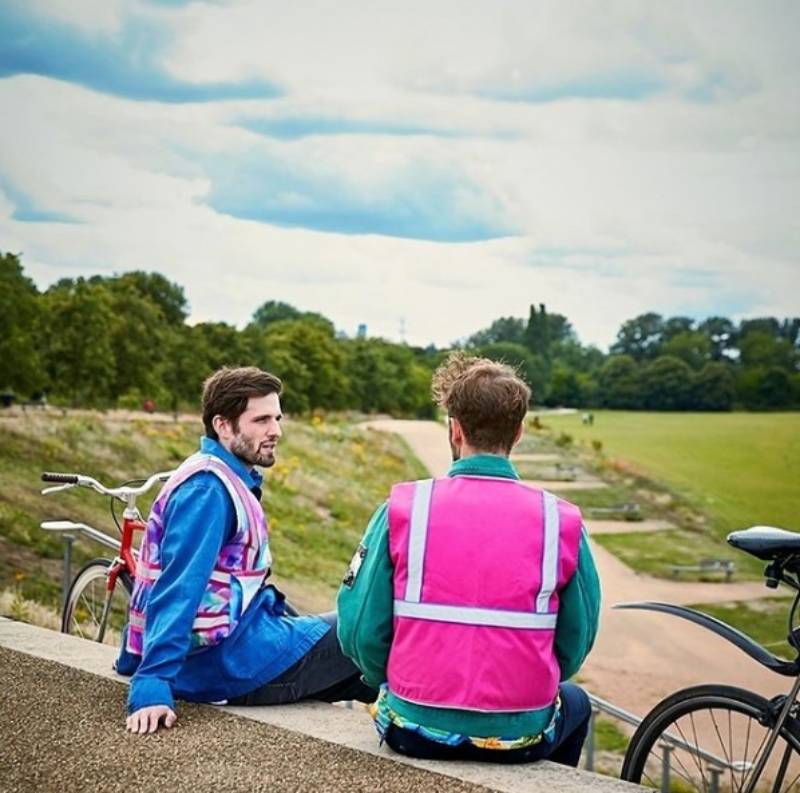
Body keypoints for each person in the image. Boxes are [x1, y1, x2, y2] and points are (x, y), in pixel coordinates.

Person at [337, 352, 601, 765]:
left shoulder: (404, 507)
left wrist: (386, 678)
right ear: (518, 433)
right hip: (520, 734)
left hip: (412, 727)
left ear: (455, 429)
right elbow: (577, 639)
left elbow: (359, 629)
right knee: (577, 701)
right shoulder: (561, 520)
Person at [117, 366, 375, 734]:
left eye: (277, 418)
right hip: (230, 665)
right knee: (373, 626)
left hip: (239, 646)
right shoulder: (208, 490)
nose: (276, 430)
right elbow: (178, 588)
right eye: (262, 420)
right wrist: (151, 684)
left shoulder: (217, 474)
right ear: (223, 425)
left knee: (362, 665)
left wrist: (132, 655)